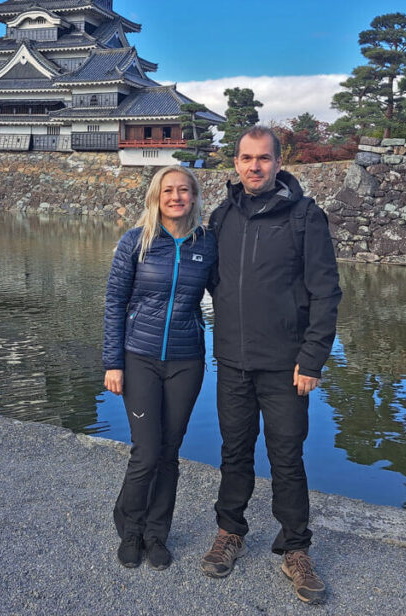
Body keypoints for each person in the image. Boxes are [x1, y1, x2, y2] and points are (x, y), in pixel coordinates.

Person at [200, 125, 341, 605]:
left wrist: (312, 358)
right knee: (234, 451)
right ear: (234, 164)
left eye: (263, 159)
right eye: (245, 158)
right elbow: (198, 281)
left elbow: (326, 293)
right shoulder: (222, 217)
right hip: (233, 361)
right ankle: (230, 531)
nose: (254, 167)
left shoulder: (304, 218)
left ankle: (295, 548)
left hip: (287, 366)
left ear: (279, 163)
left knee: (287, 457)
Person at [103, 165, 217, 570]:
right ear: (156, 196)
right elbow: (115, 303)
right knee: (146, 452)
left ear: (194, 196)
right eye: (168, 190)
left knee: (169, 452)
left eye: (183, 190)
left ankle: (157, 535)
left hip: (187, 360)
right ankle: (130, 529)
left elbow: (230, 294)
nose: (176, 197)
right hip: (140, 358)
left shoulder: (207, 244)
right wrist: (112, 363)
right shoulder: (137, 241)